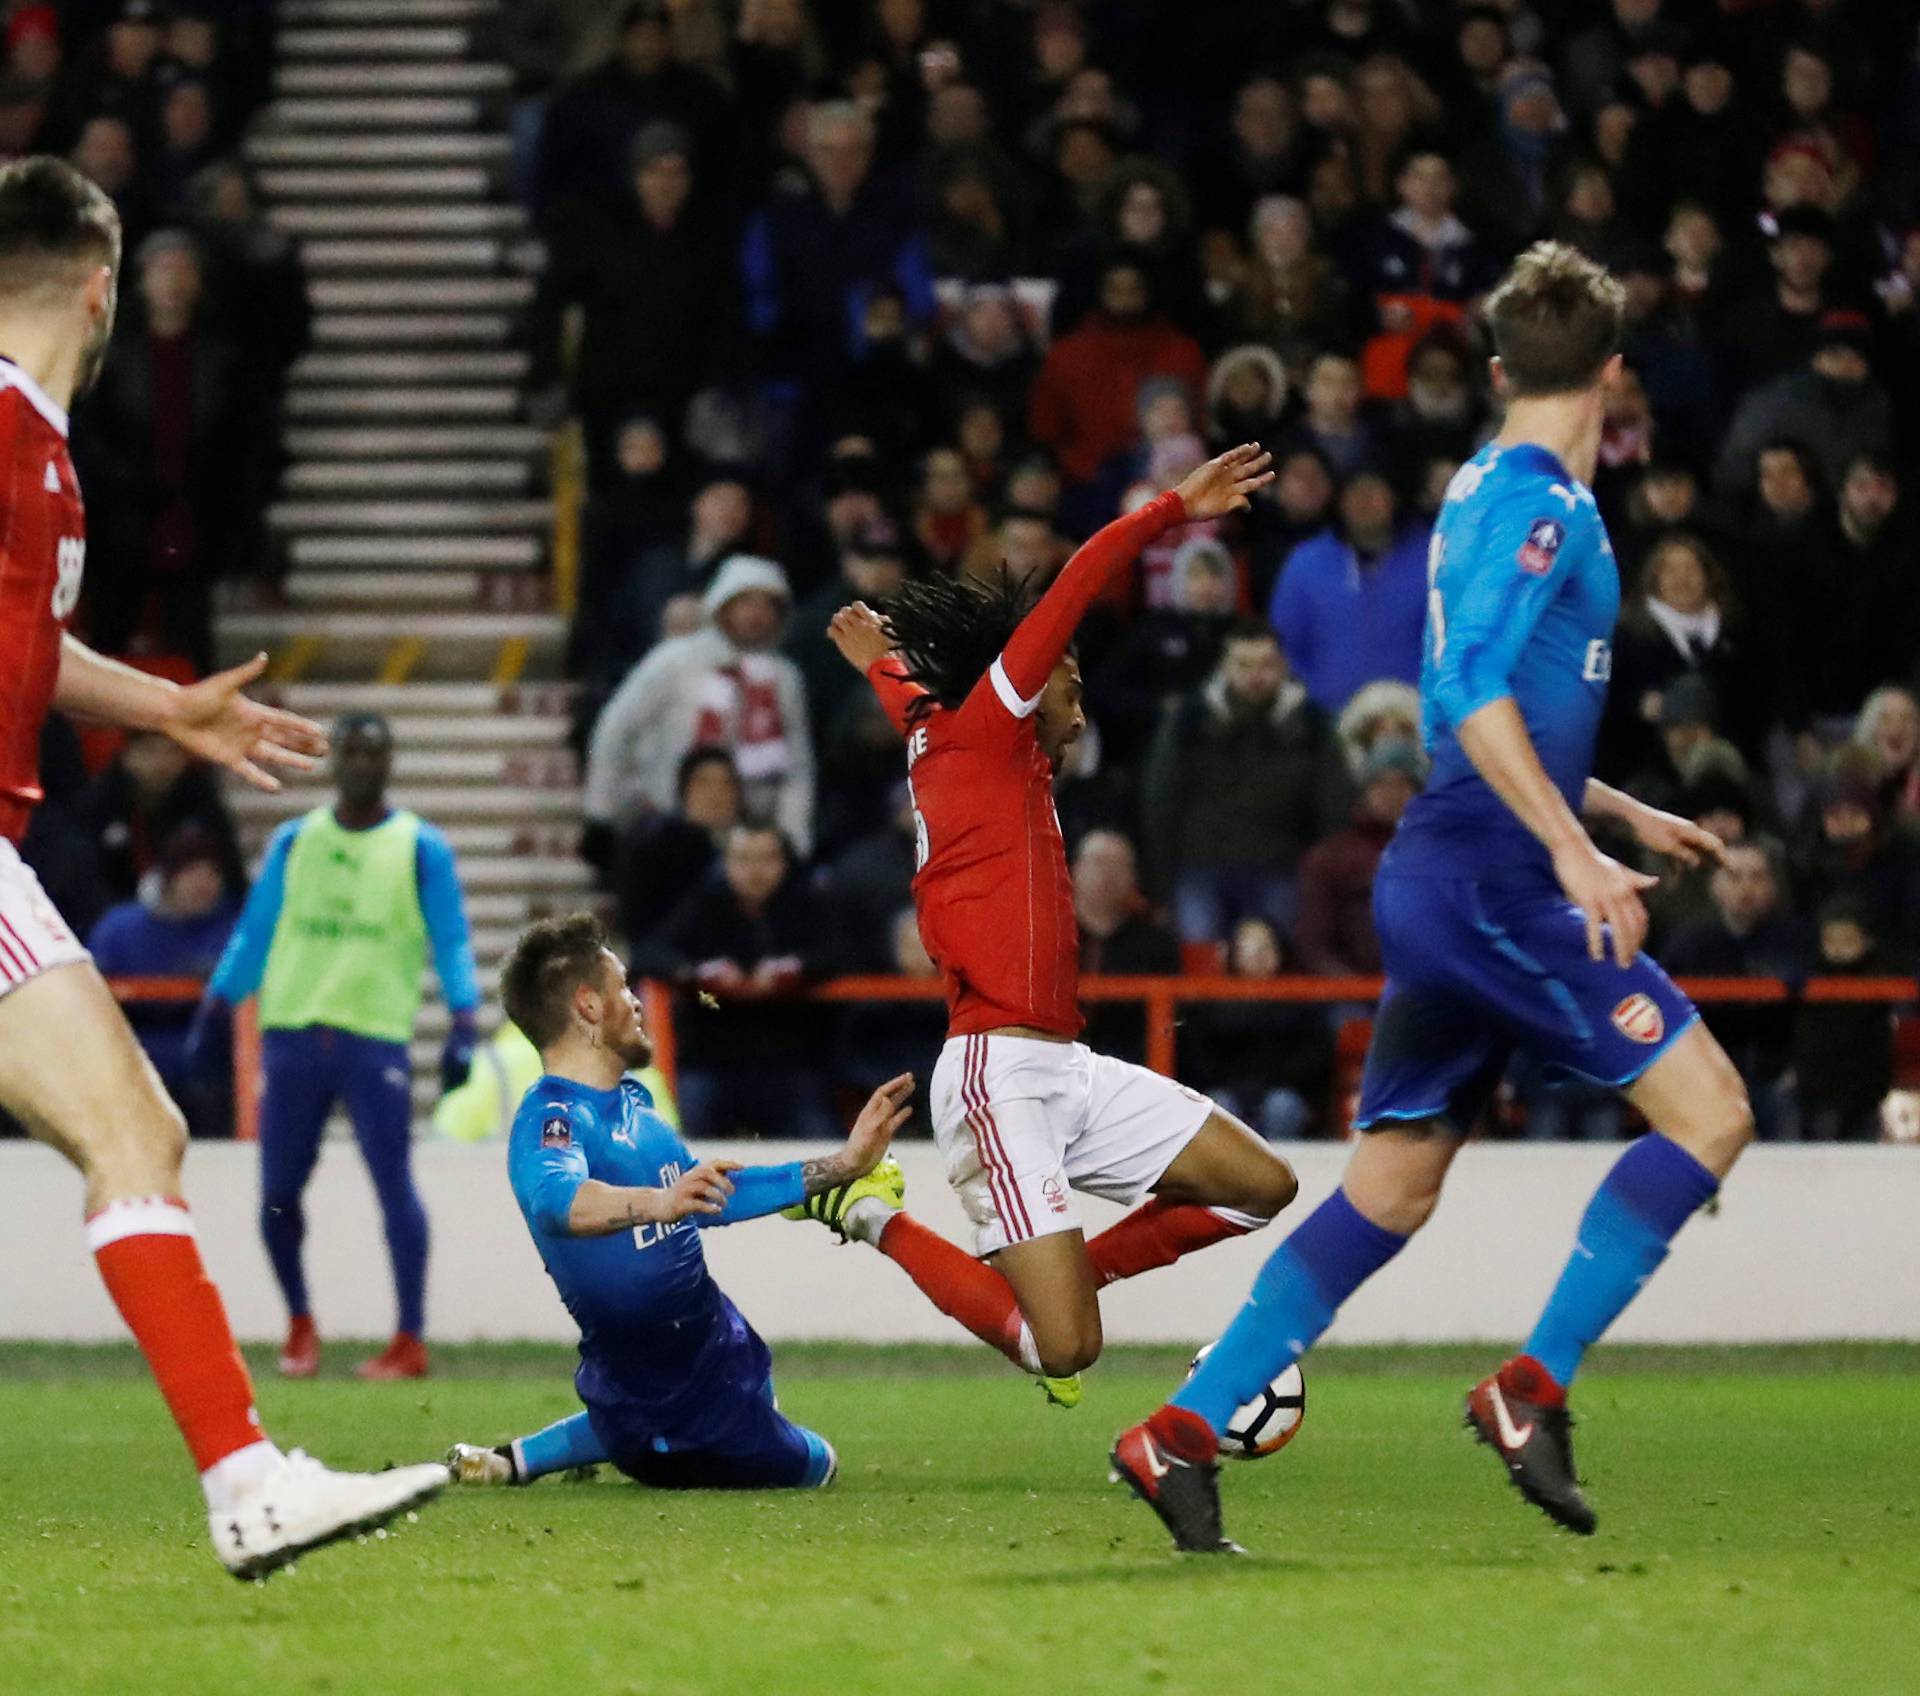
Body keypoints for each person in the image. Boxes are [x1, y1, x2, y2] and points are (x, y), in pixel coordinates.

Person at [1113, 243, 1753, 1553]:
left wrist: (1617, 811)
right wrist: (1574, 858)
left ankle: (1180, 1428)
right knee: (1711, 1115)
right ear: (1616, 373)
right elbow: (1467, 703)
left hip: (1455, 872)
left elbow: (1501, 713)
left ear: (1506, 366)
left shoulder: (1479, 491)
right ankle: (1531, 1389)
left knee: (1395, 1188)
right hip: (1495, 884)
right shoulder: (1546, 513)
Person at [0, 155, 444, 1578]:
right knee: (138, 1136)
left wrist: (169, 708)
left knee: (139, 1139)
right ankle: (249, 1482)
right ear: (101, 281)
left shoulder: (42, 447)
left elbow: (31, 648)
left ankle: (250, 1481)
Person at [813, 447, 1299, 1408]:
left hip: (1065, 1068)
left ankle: (1073, 1275)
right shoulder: (992, 726)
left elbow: (908, 696)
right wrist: (1171, 510)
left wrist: (882, 663)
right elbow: (1074, 588)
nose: (1075, 710)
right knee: (1065, 1351)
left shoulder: (945, 733)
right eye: (1068, 687)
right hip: (995, 1074)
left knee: (1262, 1187)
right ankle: (870, 1214)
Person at [444, 912, 912, 1492]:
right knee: (820, 1465)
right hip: (650, 1387)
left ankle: (517, 1460)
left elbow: (708, 1193)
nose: (638, 1002)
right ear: (588, 1006)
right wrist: (659, 1202)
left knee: (646, 1429)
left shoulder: (635, 1101)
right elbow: (556, 1202)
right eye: (622, 988)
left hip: (716, 1355)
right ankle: (561, 1453)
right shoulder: (554, 1117)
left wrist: (844, 1164)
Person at [192, 713, 480, 1382]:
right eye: (349, 749)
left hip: (373, 1036)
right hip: (293, 1035)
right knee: (278, 1193)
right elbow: (256, 930)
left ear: (390, 763)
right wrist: (218, 1000)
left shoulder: (420, 847)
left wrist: (464, 1015)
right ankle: (299, 1325)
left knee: (393, 1187)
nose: (360, 762)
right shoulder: (295, 842)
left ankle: (409, 1337)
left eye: (373, 751)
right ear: (333, 761)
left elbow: (452, 937)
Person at [583, 553, 815, 857]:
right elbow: (616, 728)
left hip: (748, 840)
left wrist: (793, 839)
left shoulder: (785, 679)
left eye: (767, 605)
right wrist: (601, 812)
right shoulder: (675, 659)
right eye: (746, 602)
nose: (755, 615)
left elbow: (796, 766)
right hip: (667, 823)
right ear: (723, 605)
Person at [1141, 622, 1350, 944]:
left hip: (1282, 866)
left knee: (1278, 950)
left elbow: (1333, 806)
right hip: (1201, 866)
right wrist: (1159, 885)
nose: (1255, 676)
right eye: (1244, 665)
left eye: (1266, 664)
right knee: (1200, 955)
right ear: (1224, 668)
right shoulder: (1189, 721)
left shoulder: (1312, 726)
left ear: (1283, 666)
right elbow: (1160, 802)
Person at [635, 822, 838, 1141]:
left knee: (819, 1135)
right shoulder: (703, 905)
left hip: (788, 1059)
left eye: (766, 859)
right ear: (726, 864)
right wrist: (696, 972)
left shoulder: (806, 905)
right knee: (686, 1134)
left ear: (783, 863)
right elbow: (650, 953)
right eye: (743, 859)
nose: (754, 871)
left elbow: (843, 953)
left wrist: (797, 968)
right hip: (713, 1059)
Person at [86, 823, 239, 1136]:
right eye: (192, 872)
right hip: (133, 1059)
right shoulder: (119, 929)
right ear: (169, 878)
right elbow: (91, 996)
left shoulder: (230, 932)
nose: (204, 883)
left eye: (211, 873)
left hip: (204, 1067)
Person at [1268, 467, 1429, 713]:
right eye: (1355, 493)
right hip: (1327, 722)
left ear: (1393, 498)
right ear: (1340, 503)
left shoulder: (1430, 559)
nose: (1364, 501)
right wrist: (1313, 699)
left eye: (1374, 492)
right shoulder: (1306, 563)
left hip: (1415, 718)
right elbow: (1284, 645)